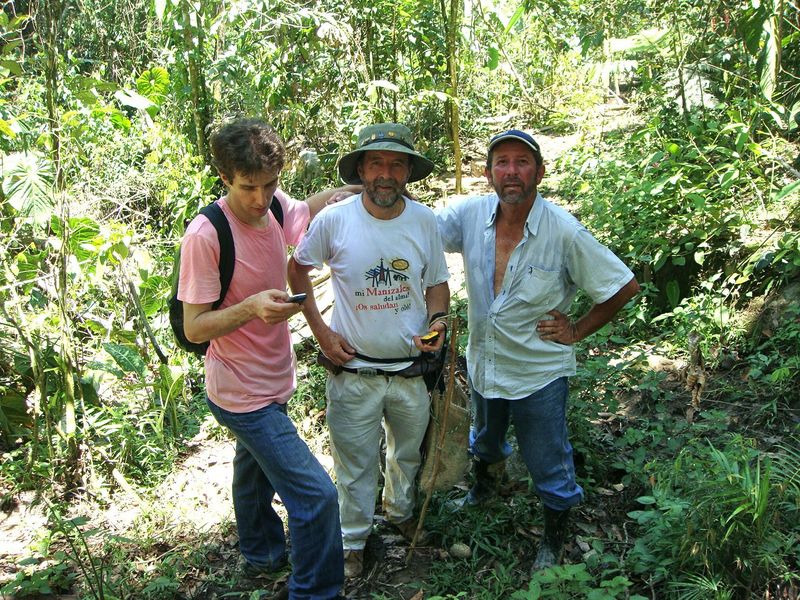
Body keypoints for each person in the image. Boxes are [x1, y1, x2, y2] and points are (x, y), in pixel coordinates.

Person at [436, 129, 640, 571]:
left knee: (548, 460)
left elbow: (623, 286)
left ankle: (554, 536)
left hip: (538, 373)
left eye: (522, 162)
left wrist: (578, 328)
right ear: (488, 173)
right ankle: (484, 490)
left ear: (540, 172)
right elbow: (420, 229)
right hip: (486, 364)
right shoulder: (471, 215)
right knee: (485, 441)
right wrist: (373, 193)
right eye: (502, 163)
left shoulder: (562, 231)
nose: (512, 172)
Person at [178, 118, 359, 600]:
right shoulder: (206, 235)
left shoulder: (277, 206)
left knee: (252, 469)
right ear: (224, 178)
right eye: (247, 188)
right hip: (240, 392)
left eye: (269, 185)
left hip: (273, 378)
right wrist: (251, 307)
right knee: (316, 497)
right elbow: (195, 326)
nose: (259, 199)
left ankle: (261, 553)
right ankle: (315, 591)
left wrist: (356, 187)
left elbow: (305, 211)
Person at [287, 123, 450, 578]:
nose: (385, 173)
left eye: (396, 164)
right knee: (354, 463)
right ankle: (353, 540)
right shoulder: (334, 220)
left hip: (410, 370)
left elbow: (437, 282)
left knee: (407, 452)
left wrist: (437, 322)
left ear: (408, 173)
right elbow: (296, 269)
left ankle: (400, 512)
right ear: (361, 169)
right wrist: (320, 330)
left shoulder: (424, 221)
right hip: (353, 371)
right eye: (376, 163)